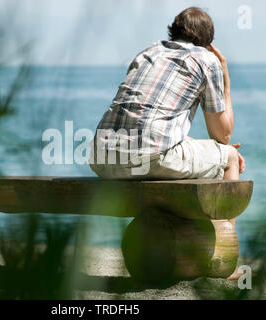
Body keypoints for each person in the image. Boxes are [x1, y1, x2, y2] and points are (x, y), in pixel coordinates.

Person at [89, 7, 246, 280]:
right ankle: (224, 258)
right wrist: (225, 78)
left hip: (101, 158)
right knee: (229, 157)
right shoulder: (206, 60)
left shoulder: (148, 52)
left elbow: (145, 120)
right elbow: (223, 135)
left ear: (173, 32)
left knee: (174, 151)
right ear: (209, 44)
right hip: (149, 156)